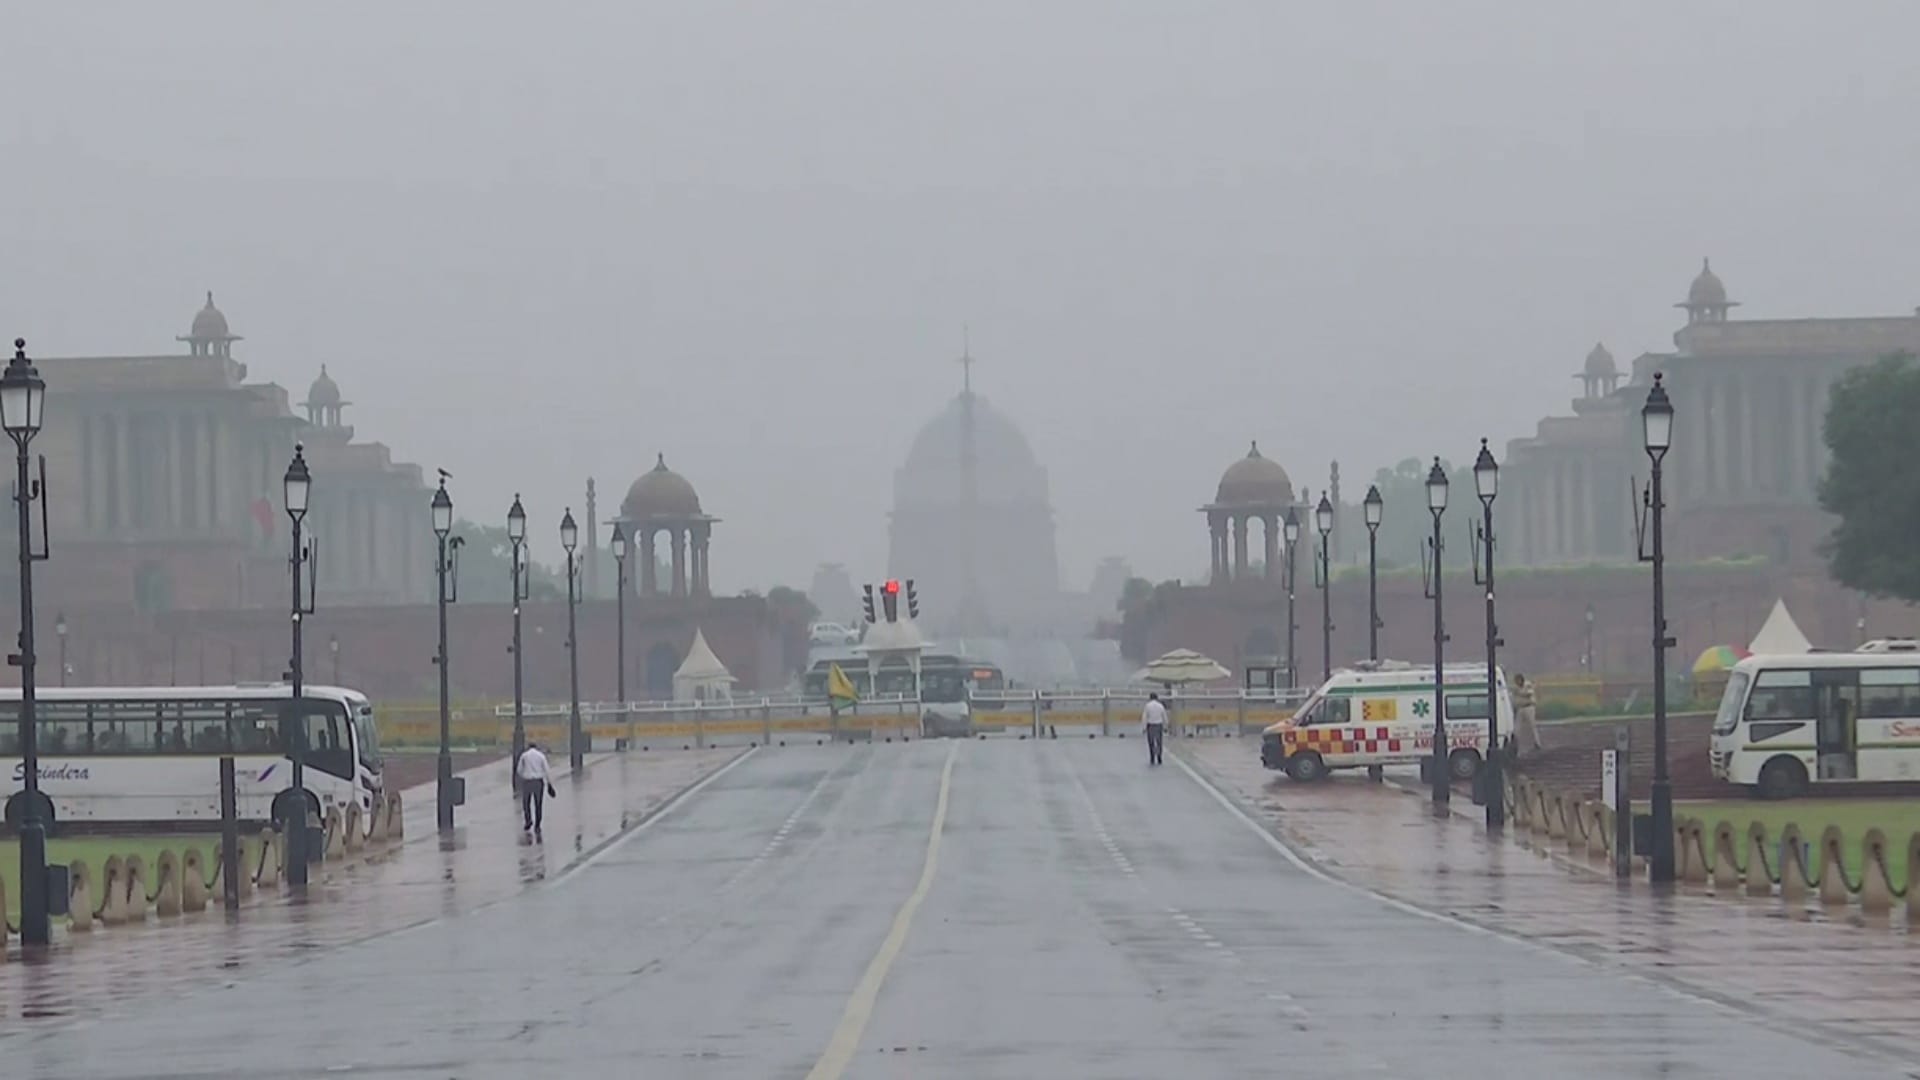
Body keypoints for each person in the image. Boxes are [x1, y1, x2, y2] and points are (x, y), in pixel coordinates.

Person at [517, 741, 555, 835]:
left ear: (528, 747)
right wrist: (549, 783)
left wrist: (524, 776)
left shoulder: (524, 756)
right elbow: (547, 770)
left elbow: (519, 770)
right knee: (538, 804)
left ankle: (528, 820)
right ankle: (537, 825)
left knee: (526, 803)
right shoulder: (541, 756)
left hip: (527, 781)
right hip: (538, 781)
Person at [1142, 692, 1168, 766]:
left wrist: (1144, 727)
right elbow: (1164, 716)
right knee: (1159, 742)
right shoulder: (1160, 706)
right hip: (1159, 725)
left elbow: (1145, 717)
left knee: (1151, 742)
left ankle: (1152, 757)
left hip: (1150, 725)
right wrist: (1166, 726)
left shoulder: (1147, 706)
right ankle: (1159, 756)